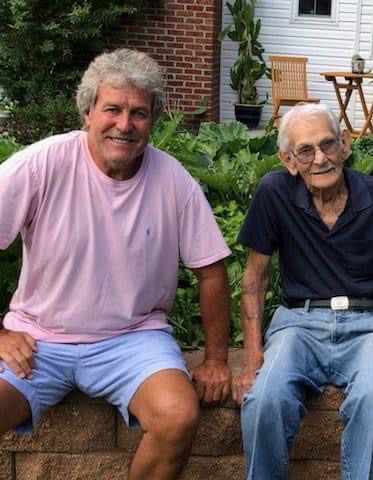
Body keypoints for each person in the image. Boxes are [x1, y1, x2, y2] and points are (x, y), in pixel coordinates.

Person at [0, 49, 233, 479]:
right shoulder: (41, 165)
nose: (124, 125)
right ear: (88, 111)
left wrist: (217, 358)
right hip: (39, 339)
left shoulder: (174, 180)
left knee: (178, 416)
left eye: (138, 113)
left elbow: (211, 270)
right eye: (112, 109)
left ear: (153, 120)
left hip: (133, 340)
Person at [231, 102, 373, 479]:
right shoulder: (274, 193)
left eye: (327, 144)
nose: (320, 158)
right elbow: (254, 278)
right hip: (299, 323)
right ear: (288, 160)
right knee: (264, 398)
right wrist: (251, 360)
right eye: (305, 151)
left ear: (345, 143)